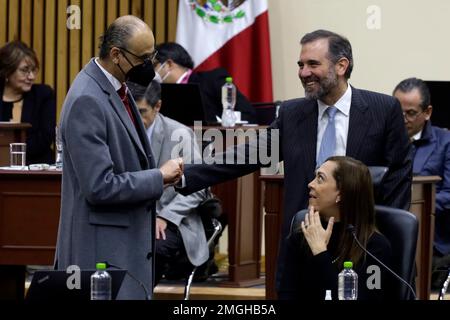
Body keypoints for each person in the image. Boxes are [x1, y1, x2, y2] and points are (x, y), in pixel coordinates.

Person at [177, 29, 412, 295]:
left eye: (313, 64)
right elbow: (246, 155)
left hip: (359, 244)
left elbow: (398, 177)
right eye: (301, 65)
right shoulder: (292, 113)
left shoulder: (383, 110)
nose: (303, 72)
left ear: (341, 65)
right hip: (302, 241)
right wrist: (186, 174)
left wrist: (380, 235)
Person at [55, 16, 183, 300]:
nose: (151, 65)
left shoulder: (117, 89)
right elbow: (99, 186)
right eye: (144, 58)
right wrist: (159, 177)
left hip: (125, 246)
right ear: (116, 54)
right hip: (102, 252)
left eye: (153, 56)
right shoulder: (87, 99)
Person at [127, 80, 216, 284]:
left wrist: (164, 217)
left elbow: (198, 188)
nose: (134, 120)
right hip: (130, 217)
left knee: (152, 248)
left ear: (157, 106)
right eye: (130, 111)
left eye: (141, 112)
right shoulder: (121, 130)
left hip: (174, 218)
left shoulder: (180, 135)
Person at [278, 156, 393, 300]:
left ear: (341, 194)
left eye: (320, 178)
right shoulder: (301, 237)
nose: (310, 184)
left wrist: (320, 253)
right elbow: (286, 295)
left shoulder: (375, 248)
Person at [393, 77, 450, 289]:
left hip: (433, 243)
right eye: (398, 111)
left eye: (410, 113)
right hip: (388, 236)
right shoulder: (383, 139)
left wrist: (415, 204)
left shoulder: (445, 142)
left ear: (427, 113)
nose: (403, 119)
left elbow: (449, 193)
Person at [153, 42, 257, 124]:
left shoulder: (212, 80)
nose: (153, 71)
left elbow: (248, 114)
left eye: (155, 66)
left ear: (169, 64)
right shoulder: (157, 92)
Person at [0, 41, 55, 164]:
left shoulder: (43, 95)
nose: (31, 76)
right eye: (25, 70)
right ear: (7, 71)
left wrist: (10, 150)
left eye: (33, 70)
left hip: (35, 168)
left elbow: (44, 139)